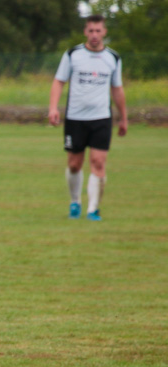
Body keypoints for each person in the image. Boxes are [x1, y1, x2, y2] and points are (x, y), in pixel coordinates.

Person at [48, 13, 127, 222]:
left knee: (98, 162)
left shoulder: (113, 58)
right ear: (85, 31)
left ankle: (93, 209)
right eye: (91, 30)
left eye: (98, 30)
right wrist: (53, 108)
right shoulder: (73, 54)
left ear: (104, 32)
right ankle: (75, 202)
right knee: (74, 164)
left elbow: (117, 89)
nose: (94, 34)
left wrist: (124, 118)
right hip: (75, 118)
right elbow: (58, 81)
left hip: (102, 117)